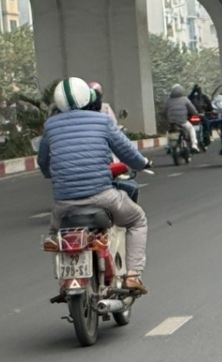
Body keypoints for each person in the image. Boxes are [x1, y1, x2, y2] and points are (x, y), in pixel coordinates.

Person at [39, 77, 154, 293]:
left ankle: (64, 281)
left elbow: (43, 162)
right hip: (102, 196)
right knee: (138, 220)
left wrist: (51, 174)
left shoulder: (50, 126)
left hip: (63, 204)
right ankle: (133, 275)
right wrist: (142, 163)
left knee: (55, 236)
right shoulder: (102, 121)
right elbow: (126, 152)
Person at [164, 84, 201, 152]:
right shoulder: (185, 99)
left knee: (169, 131)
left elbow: (165, 112)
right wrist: (196, 114)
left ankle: (168, 145)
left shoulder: (168, 101)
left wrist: (168, 119)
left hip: (172, 122)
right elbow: (192, 109)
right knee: (191, 128)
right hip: (183, 121)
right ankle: (194, 145)